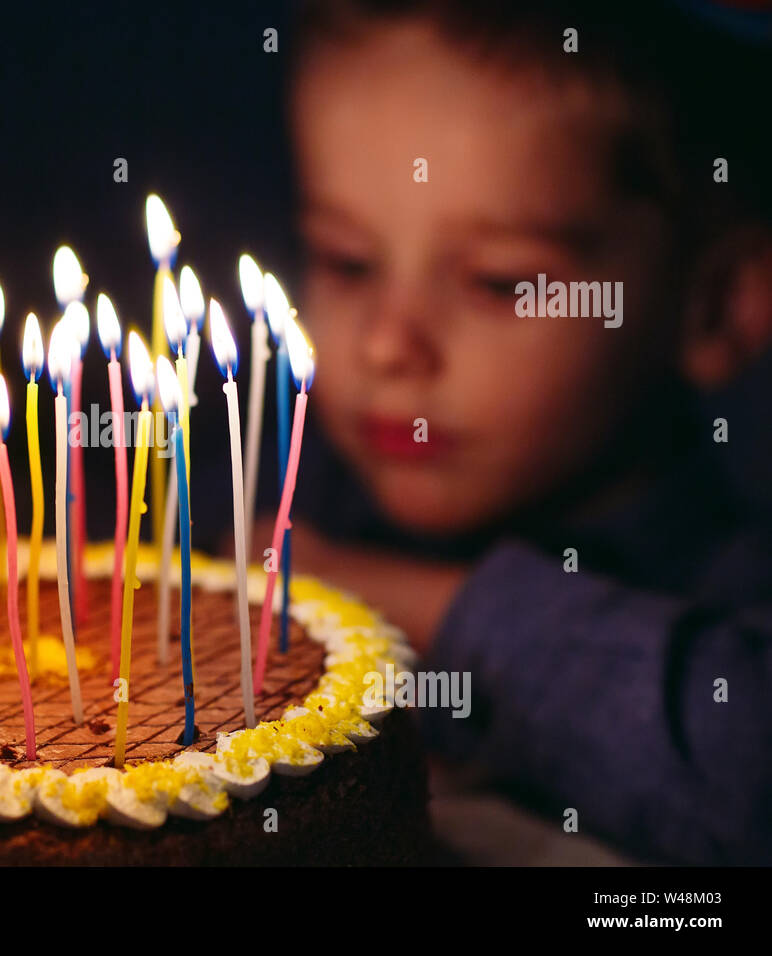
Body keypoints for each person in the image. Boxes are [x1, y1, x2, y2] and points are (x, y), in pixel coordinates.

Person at [281, 0, 772, 864]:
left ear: (716, 306)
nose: (387, 346)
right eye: (348, 261)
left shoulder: (731, 583)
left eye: (500, 283)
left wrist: (415, 605)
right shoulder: (285, 486)